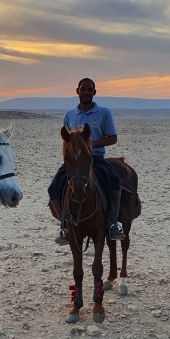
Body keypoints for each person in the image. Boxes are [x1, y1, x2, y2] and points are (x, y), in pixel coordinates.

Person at [48, 78, 126, 245]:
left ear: (94, 92)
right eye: (83, 89)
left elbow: (112, 138)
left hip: (95, 157)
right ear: (77, 91)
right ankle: (64, 225)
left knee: (114, 180)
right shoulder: (69, 116)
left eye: (89, 90)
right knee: (53, 187)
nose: (86, 92)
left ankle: (112, 223)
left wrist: (90, 145)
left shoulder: (104, 113)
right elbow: (66, 141)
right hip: (75, 161)